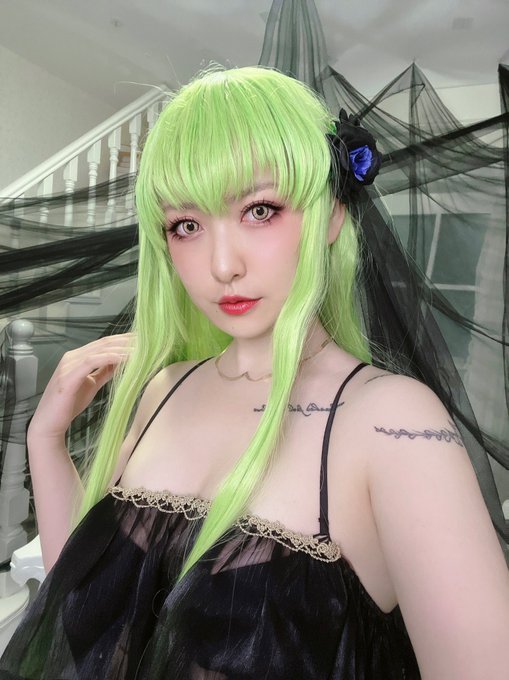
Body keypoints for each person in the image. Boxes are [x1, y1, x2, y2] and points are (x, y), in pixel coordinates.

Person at [1, 65, 508, 679]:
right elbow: (83, 611)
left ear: (332, 215)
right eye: (186, 225)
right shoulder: (162, 389)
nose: (222, 265)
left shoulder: (388, 423)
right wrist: (46, 440)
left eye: (260, 210)